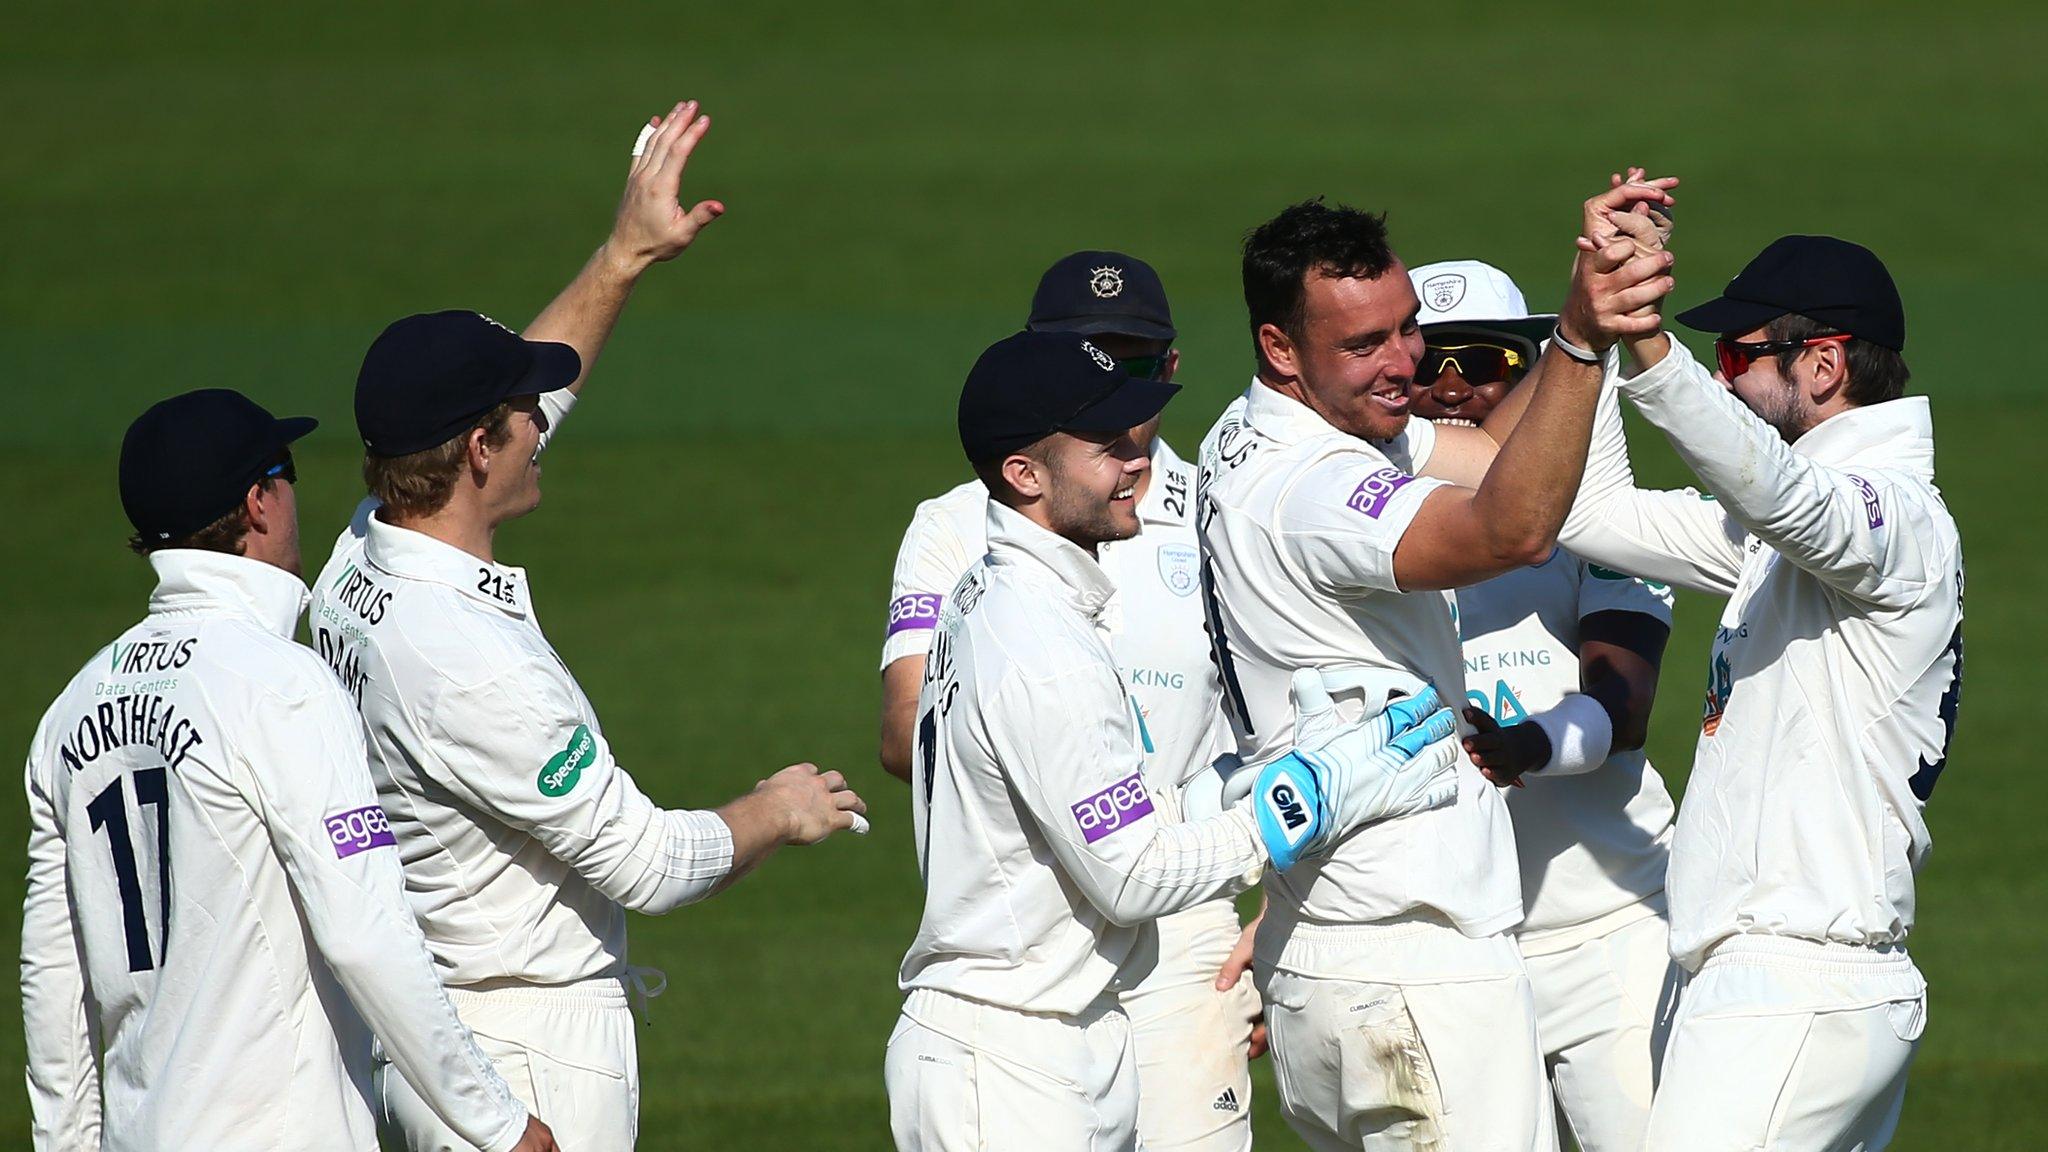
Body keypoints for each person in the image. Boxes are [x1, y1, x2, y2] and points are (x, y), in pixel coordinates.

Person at [307, 102, 869, 1151]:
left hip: (432, 1035)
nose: (540, 429)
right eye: (520, 419)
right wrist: (773, 810)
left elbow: (526, 405)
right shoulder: (471, 668)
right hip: (530, 1059)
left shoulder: (361, 549)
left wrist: (622, 259)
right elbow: (649, 863)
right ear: (478, 447)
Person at [884, 329, 1463, 1152]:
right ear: (1024, 474)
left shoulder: (1003, 594)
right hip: (1010, 1062)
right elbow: (1133, 877)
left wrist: (1212, 792)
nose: (1138, 461)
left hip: (1045, 1038)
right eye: (1105, 446)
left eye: (1135, 433)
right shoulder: (1041, 645)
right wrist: (1314, 794)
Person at [1194, 178, 1675, 1151]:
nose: (1404, 364)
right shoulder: (1314, 485)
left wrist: (1584, 304)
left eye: (1405, 329)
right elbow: (1514, 525)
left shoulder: (1253, 432)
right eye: (1363, 345)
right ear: (1278, 348)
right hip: (1412, 965)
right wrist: (1581, 347)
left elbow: (1487, 449)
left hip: (1327, 945)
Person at [21, 390, 556, 1152]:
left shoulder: (70, 712)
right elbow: (366, 933)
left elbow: (54, 978)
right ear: (258, 502)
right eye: (288, 472)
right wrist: (498, 1124)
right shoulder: (284, 684)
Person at [1547, 214, 1962, 1150]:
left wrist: (1652, 346)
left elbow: (1787, 498)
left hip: (1798, 984)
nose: (1723, 377)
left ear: (1822, 366)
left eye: (1737, 356)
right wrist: (1599, 335)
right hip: (1779, 985)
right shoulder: (1777, 539)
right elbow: (1594, 512)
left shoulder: (1894, 519)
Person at [876, 250, 1259, 1149]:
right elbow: (908, 736)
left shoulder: (1226, 510)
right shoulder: (959, 534)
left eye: (1133, 365)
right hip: (1043, 954)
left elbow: (1276, 714)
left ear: (1168, 370)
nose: (1113, 393)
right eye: (1085, 360)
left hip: (1181, 934)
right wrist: (1293, 815)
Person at [1406, 258, 1682, 1152]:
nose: (1449, 390)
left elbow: (1623, 701)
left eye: (1481, 363)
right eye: (1426, 365)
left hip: (1608, 940)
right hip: (1454, 956)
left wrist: (1527, 746)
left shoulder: (1599, 520)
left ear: (1537, 371)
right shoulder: (1373, 530)